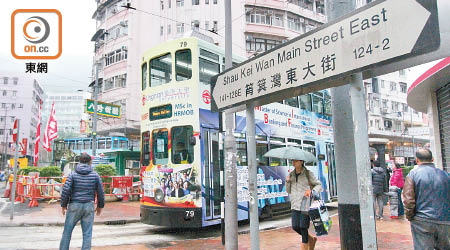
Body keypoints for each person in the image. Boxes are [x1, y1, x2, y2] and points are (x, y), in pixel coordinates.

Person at [403, 148, 449, 250]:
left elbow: (408, 200)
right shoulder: (446, 175)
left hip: (422, 220)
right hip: (445, 220)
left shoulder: (412, 175)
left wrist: (410, 216)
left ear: (417, 160)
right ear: (432, 159)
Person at [59, 153, 105, 250]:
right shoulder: (95, 175)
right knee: (87, 233)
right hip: (89, 205)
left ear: (79, 161)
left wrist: (63, 205)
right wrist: (100, 206)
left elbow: (66, 190)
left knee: (67, 231)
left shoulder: (72, 174)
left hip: (74, 205)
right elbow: (100, 191)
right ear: (90, 162)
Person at [286, 159, 322, 250]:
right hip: (295, 204)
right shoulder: (291, 175)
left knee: (303, 227)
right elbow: (288, 191)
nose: (293, 162)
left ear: (301, 162)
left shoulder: (308, 173)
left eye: (296, 161)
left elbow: (318, 185)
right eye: (292, 161)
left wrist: (312, 191)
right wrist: (287, 182)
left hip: (305, 203)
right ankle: (311, 240)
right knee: (295, 226)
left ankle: (305, 247)